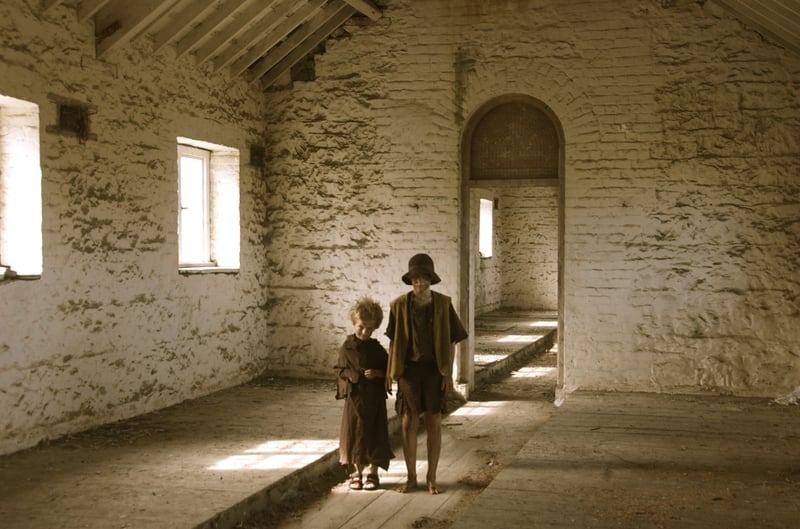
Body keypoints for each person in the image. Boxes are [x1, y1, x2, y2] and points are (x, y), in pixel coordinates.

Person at [385, 253, 468, 494]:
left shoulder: (443, 304)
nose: (420, 284)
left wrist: (448, 374)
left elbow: (453, 341)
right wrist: (391, 373)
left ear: (431, 280)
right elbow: (392, 342)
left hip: (434, 371)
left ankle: (432, 478)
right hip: (409, 372)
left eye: (424, 279)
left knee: (433, 421)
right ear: (410, 281)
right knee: (408, 421)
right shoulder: (398, 305)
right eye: (416, 279)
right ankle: (411, 478)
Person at [334, 297, 394, 491]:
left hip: (375, 398)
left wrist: (377, 374)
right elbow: (340, 370)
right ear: (354, 323)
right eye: (361, 327)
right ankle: (356, 472)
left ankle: (373, 472)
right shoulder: (346, 348)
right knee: (355, 433)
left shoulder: (377, 349)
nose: (365, 332)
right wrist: (352, 376)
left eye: (370, 329)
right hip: (355, 398)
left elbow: (389, 371)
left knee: (375, 432)